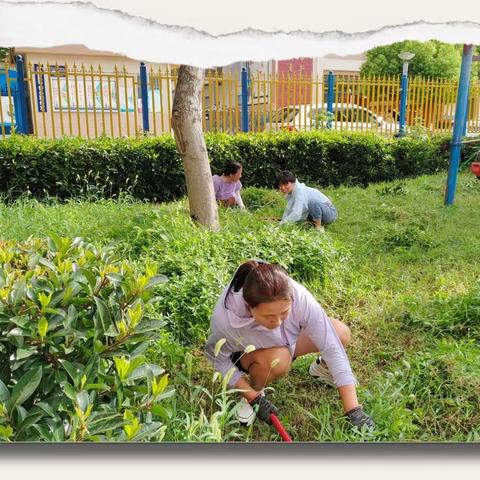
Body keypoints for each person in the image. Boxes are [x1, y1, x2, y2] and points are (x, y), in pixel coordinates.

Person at [205, 260, 374, 429]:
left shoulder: (299, 296)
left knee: (340, 332)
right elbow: (217, 358)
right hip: (251, 354)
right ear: (250, 309)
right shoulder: (226, 319)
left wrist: (353, 409)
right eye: (269, 317)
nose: (277, 322)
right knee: (278, 360)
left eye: (285, 312)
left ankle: (322, 369)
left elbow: (331, 345)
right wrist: (251, 395)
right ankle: (254, 393)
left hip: (289, 342)